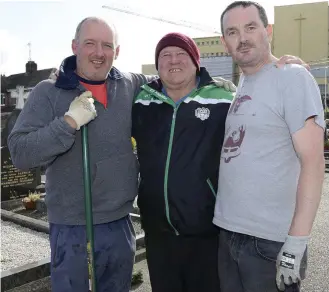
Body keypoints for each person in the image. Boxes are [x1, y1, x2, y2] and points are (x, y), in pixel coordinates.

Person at [131, 32, 310, 292]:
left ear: (196, 61)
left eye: (181, 54)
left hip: (209, 233)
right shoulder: (142, 100)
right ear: (157, 65)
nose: (173, 60)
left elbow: (264, 102)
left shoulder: (225, 99)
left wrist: (283, 71)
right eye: (165, 56)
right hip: (158, 234)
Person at [7, 17, 154, 292]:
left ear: (117, 51)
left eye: (107, 45)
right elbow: (20, 153)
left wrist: (207, 83)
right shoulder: (48, 92)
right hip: (72, 229)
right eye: (90, 43)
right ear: (75, 46)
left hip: (119, 226)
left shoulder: (130, 84)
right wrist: (68, 123)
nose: (99, 53)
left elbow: (173, 77)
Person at [213, 2, 325, 292]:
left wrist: (297, 242)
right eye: (233, 32)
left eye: (251, 27)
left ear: (268, 30)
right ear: (225, 42)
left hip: (268, 243)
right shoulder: (243, 86)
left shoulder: (292, 77)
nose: (243, 38)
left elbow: (313, 162)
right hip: (229, 234)